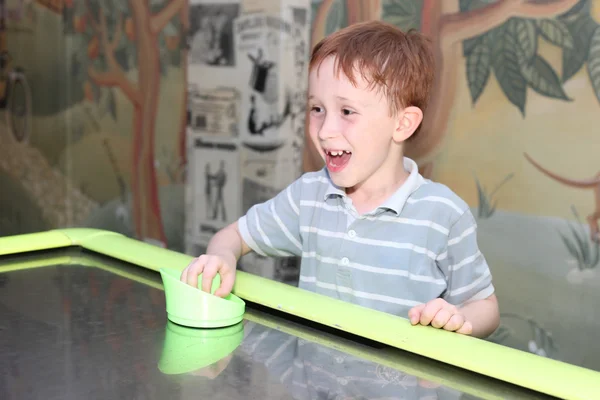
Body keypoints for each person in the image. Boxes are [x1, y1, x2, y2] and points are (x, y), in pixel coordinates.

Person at [181, 21, 500, 338]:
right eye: (317, 109)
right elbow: (232, 236)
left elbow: (485, 307)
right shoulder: (309, 196)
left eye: (347, 111)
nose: (324, 130)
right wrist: (221, 256)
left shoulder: (444, 215)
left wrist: (458, 318)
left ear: (402, 124)